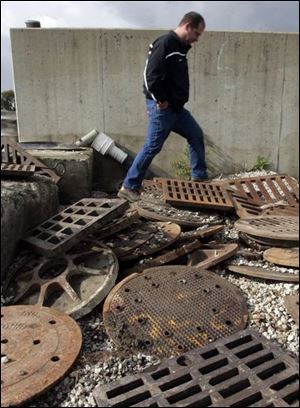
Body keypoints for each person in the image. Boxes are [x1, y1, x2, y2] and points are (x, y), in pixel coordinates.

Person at [118, 11, 208, 202]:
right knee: (152, 147)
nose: (197, 39)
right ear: (188, 26)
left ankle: (199, 179)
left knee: (196, 135)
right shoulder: (165, 43)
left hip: (177, 110)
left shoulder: (180, 47)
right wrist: (160, 99)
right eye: (197, 34)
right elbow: (150, 76)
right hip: (163, 109)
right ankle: (129, 186)